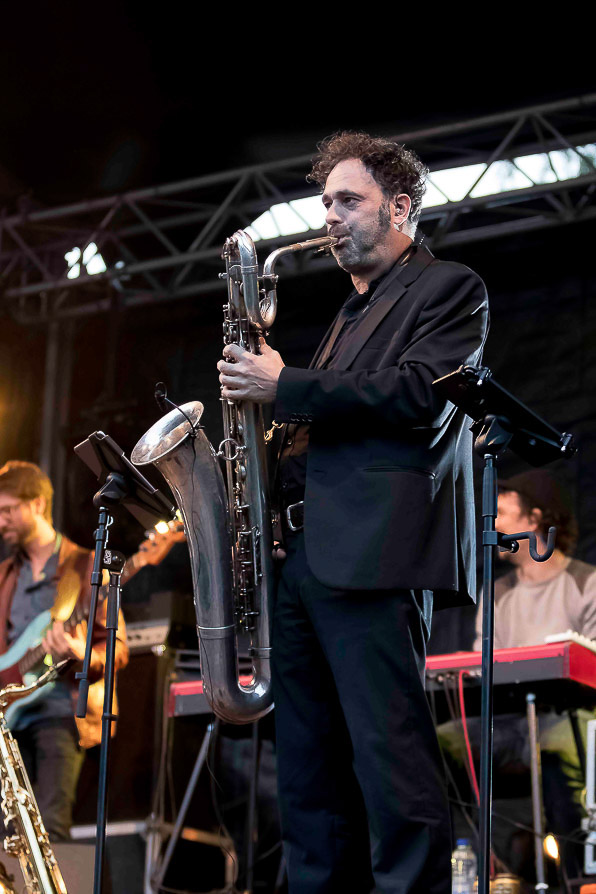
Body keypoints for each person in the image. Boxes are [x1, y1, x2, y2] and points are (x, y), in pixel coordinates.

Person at [217, 131, 489, 893]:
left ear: (399, 206)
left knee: (389, 760)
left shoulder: (448, 287)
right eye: (326, 203)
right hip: (304, 559)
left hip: (372, 556)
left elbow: (421, 393)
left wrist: (286, 385)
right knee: (306, 773)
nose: (330, 217)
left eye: (348, 201)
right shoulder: (351, 311)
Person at [0, 460, 181, 841]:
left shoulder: (85, 566)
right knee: (9, 835)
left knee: (51, 832)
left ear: (37, 504)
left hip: (60, 714)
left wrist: (79, 652)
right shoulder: (4, 576)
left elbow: (117, 651)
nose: (1, 522)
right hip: (7, 723)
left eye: (8, 510)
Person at [443, 469, 594, 882]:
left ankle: (578, 879)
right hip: (508, 722)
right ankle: (470, 871)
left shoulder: (587, 582)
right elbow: (482, 666)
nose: (493, 526)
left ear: (534, 519)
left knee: (560, 750)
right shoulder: (498, 593)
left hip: (568, 718)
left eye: (503, 515)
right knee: (437, 745)